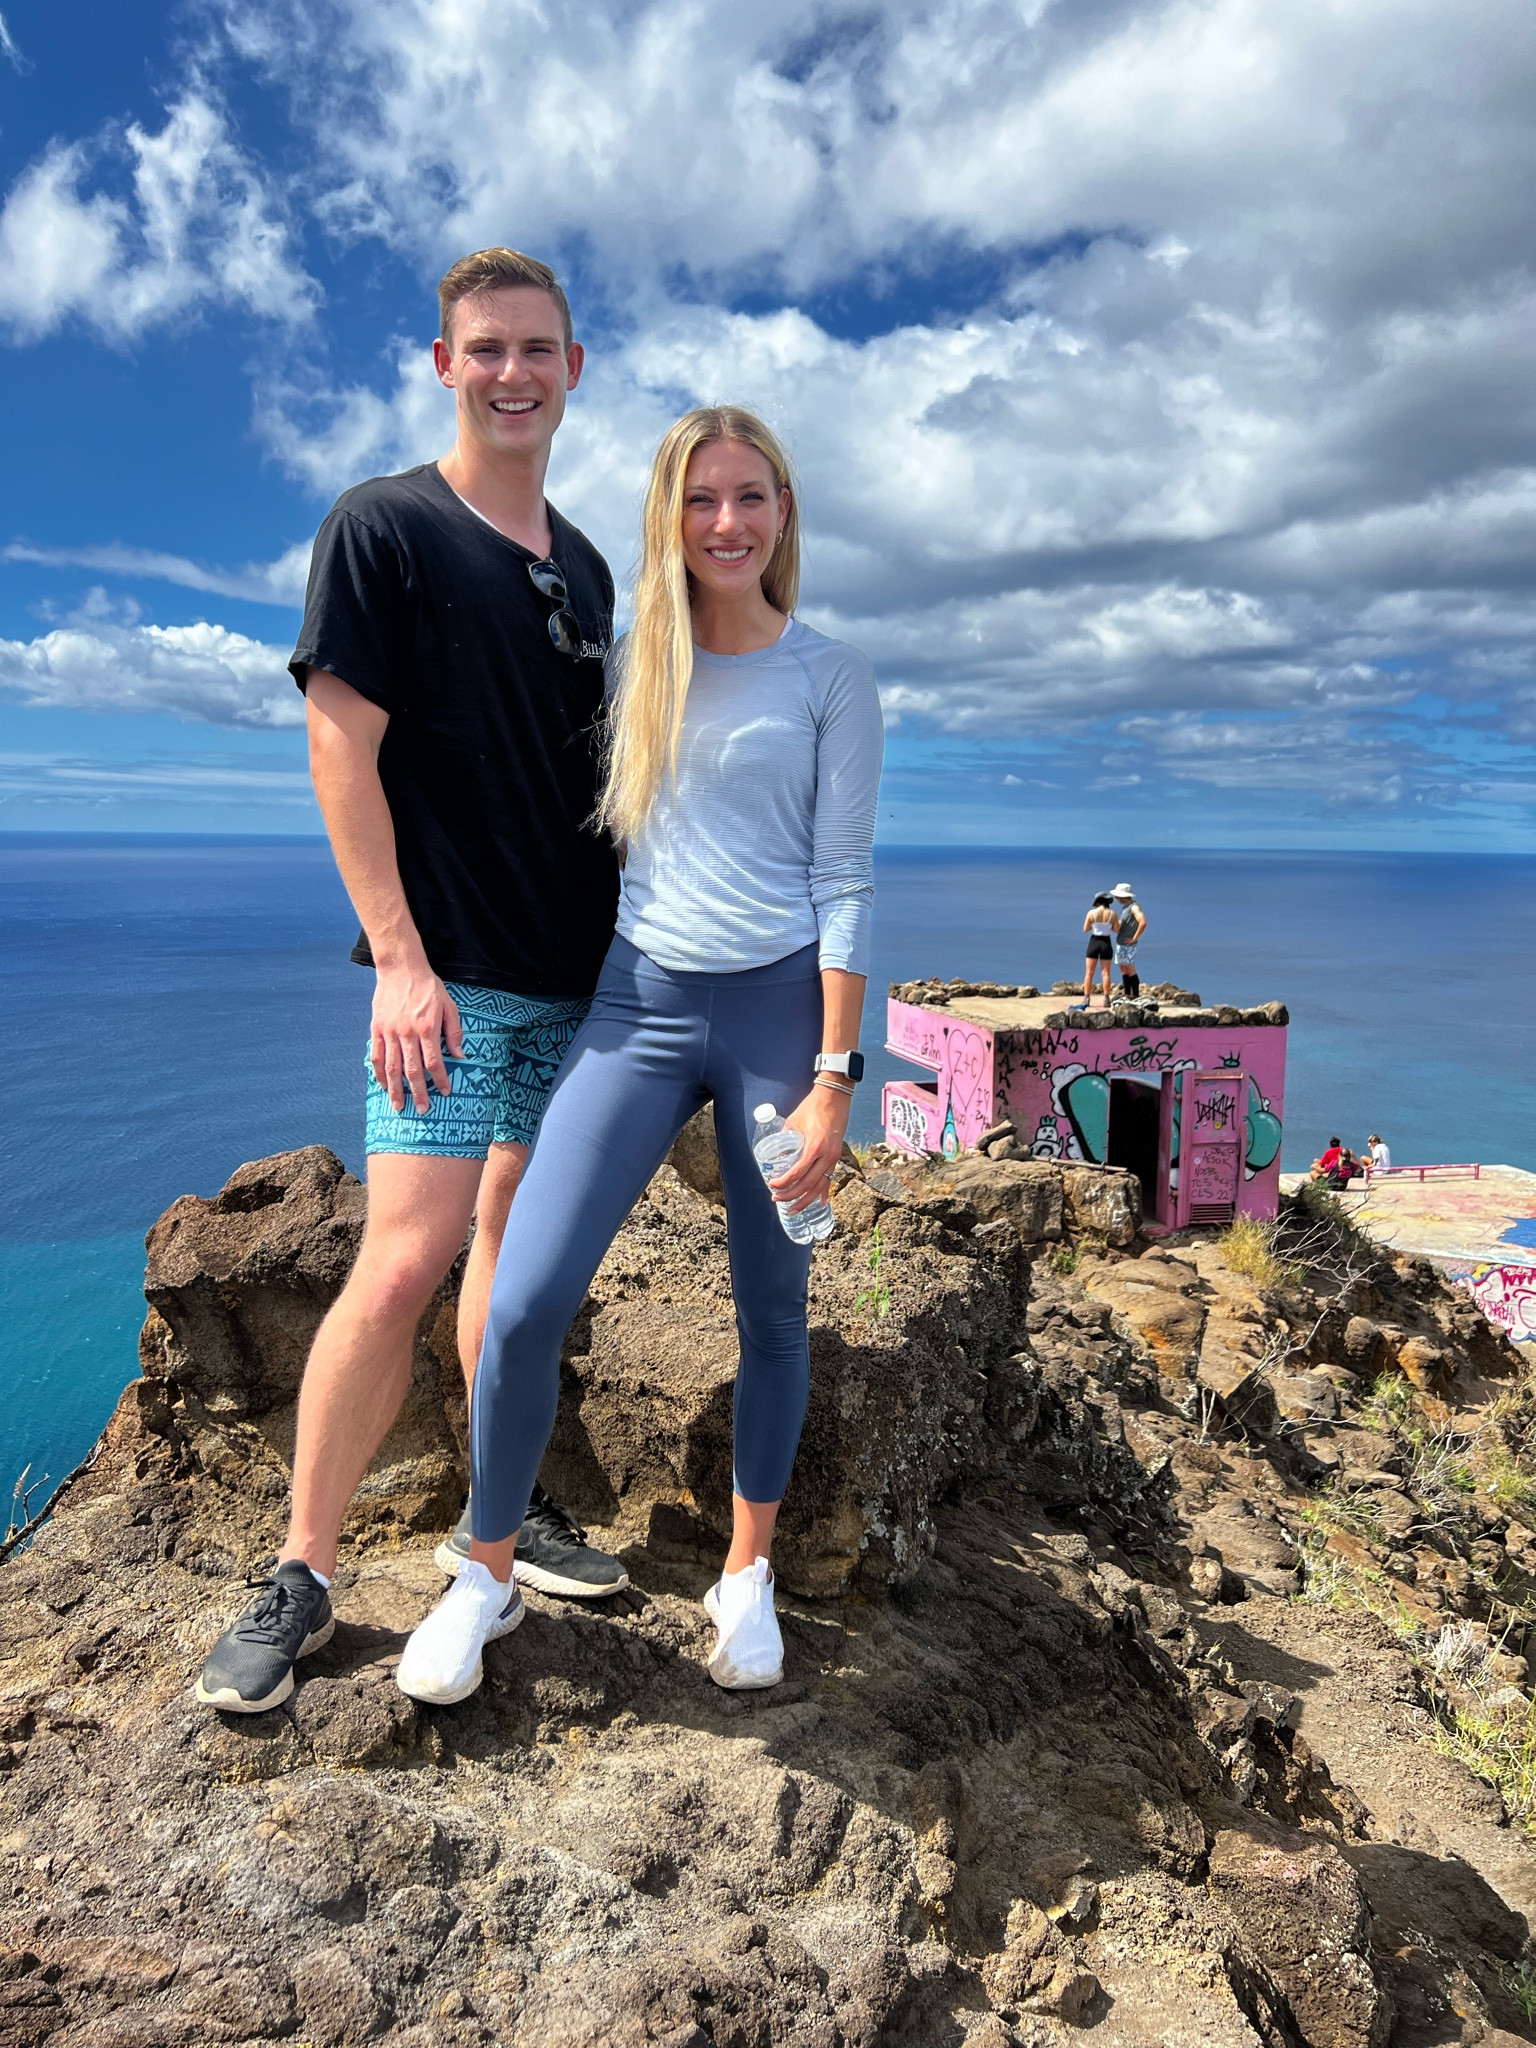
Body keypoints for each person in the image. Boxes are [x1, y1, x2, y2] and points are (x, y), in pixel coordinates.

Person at [393, 405, 884, 1706]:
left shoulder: (832, 676)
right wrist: (409, 949)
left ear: (784, 509)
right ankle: (485, 1574)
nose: (728, 521)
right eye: (701, 498)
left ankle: (746, 1576)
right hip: (637, 1009)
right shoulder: (626, 671)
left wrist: (838, 1076)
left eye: (752, 496)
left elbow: (843, 883)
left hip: (781, 1019)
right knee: (522, 1293)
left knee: (774, 1308)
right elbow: (504, 801)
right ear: (670, 516)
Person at [195, 249, 630, 1717]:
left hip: (580, 989)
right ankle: (305, 1572)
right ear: (445, 365)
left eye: (539, 350)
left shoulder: (584, 563)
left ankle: (499, 1516)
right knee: (400, 1264)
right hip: (448, 985)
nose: (515, 373)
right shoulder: (382, 527)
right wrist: (396, 958)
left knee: (515, 1274)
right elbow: (339, 744)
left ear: (577, 367)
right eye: (487, 349)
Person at [1077, 894, 1118, 1008]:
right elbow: (1116, 929)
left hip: (1094, 942)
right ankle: (1106, 998)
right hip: (1106, 942)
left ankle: (1086, 997)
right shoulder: (1113, 914)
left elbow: (1085, 929)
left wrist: (1094, 926)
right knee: (1106, 973)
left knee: (1089, 973)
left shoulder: (1091, 913)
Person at [1109, 882, 1146, 998]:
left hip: (1128, 945)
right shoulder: (1125, 908)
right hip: (1121, 942)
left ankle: (1135, 995)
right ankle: (1127, 993)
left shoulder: (1133, 907)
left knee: (1130, 969)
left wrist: (1134, 938)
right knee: (1124, 969)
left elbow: (1143, 922)